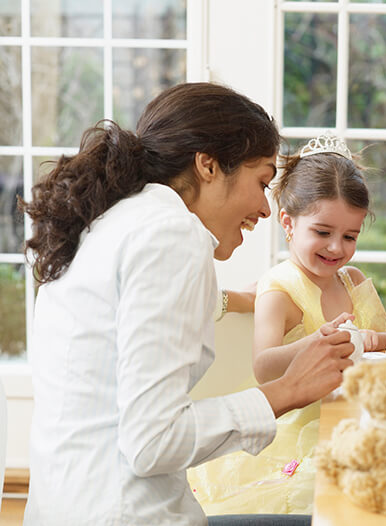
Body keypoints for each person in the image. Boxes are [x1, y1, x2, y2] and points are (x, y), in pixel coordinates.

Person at [20, 83, 354, 526]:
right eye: (262, 181)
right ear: (208, 165)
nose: (265, 208)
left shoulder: (114, 222)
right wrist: (286, 391)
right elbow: (153, 442)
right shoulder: (171, 235)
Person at [188, 132, 386, 514]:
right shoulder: (281, 289)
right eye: (322, 232)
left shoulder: (352, 281)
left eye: (349, 236)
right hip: (305, 428)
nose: (336, 248)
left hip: (362, 419)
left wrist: (373, 339)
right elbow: (265, 366)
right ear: (288, 223)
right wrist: (315, 343)